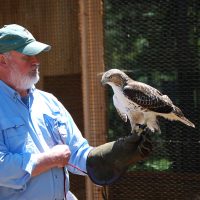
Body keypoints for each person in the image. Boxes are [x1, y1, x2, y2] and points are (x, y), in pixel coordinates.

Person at [0, 24, 153, 200]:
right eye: (27, 56)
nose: (36, 61)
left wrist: (114, 154)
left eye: (36, 54)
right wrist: (50, 159)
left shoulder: (49, 102)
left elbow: (76, 153)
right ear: (2, 60)